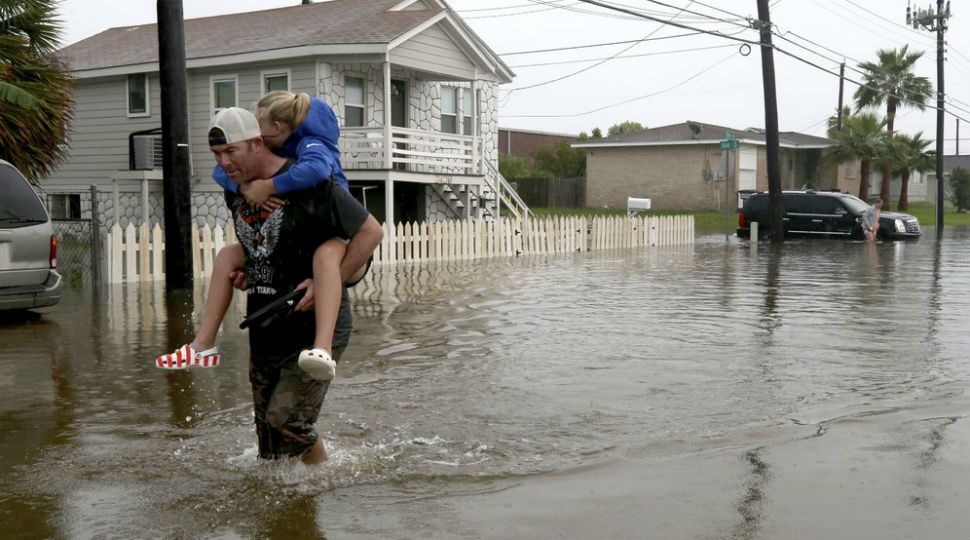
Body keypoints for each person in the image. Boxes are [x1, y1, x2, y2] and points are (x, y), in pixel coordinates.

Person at [206, 107, 381, 463]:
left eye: (230, 152)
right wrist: (249, 273)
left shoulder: (313, 182)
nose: (223, 162)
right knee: (268, 441)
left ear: (257, 143)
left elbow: (371, 233)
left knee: (288, 422)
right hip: (266, 322)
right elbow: (264, 244)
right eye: (217, 155)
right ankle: (283, 510)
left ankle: (322, 483)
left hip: (312, 323)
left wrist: (332, 277)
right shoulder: (234, 188)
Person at [155, 92, 352, 379]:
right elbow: (220, 174)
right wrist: (247, 189)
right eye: (218, 154)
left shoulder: (313, 146)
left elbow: (319, 171)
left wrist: (271, 186)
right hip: (288, 275)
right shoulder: (282, 152)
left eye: (259, 128)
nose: (224, 160)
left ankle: (323, 347)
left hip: (338, 236)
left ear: (277, 127)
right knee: (227, 256)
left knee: (325, 256)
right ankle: (204, 343)